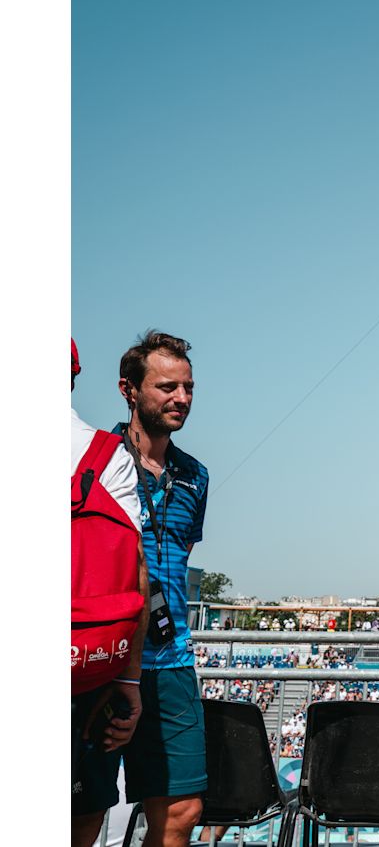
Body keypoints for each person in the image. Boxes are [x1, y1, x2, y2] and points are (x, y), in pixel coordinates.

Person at [109, 330, 210, 847]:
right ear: (129, 390)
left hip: (170, 661)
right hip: (105, 658)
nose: (182, 399)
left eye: (188, 387)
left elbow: (180, 558)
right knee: (84, 811)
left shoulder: (196, 474)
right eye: (167, 387)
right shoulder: (97, 464)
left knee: (182, 809)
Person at [71, 338, 149, 847]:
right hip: (88, 663)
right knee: (81, 810)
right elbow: (136, 573)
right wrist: (130, 678)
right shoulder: (106, 454)